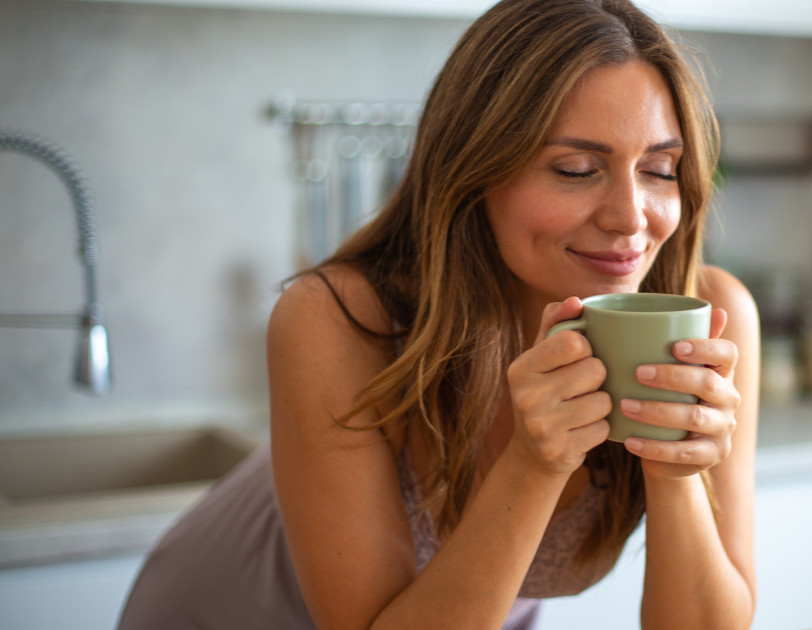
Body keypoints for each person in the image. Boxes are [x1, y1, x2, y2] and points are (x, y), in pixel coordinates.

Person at [117, 0, 760, 628]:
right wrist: (533, 467)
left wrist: (677, 473)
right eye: (576, 169)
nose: (630, 218)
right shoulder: (333, 319)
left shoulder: (711, 317)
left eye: (659, 169)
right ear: (475, 171)